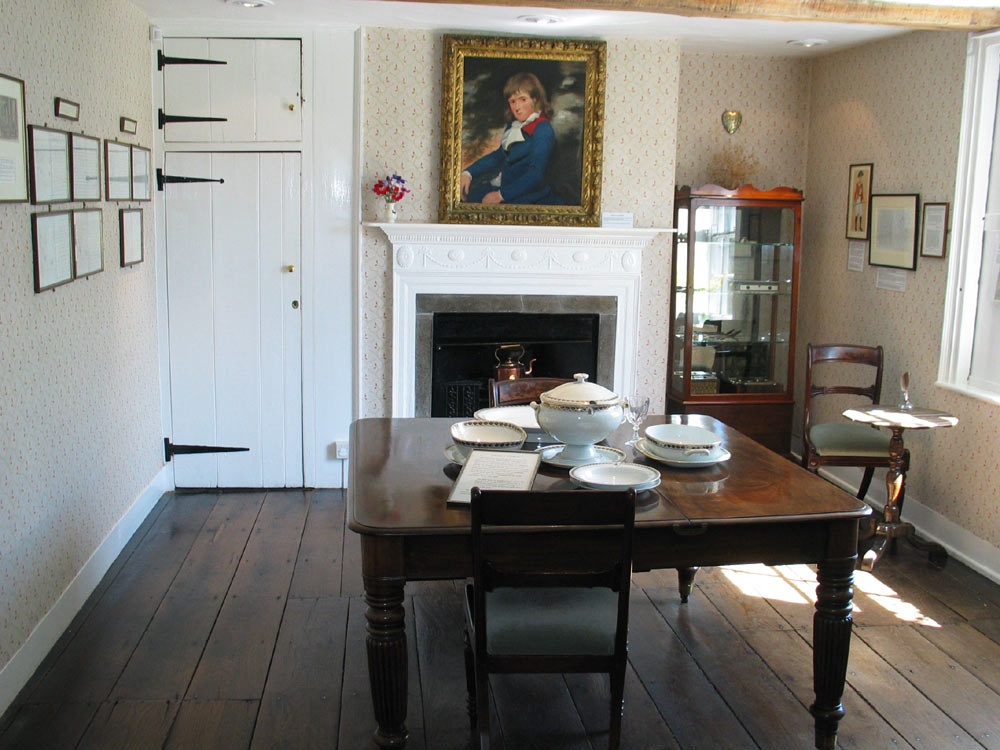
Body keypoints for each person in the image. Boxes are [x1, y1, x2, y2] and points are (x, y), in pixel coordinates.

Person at [461, 72, 563, 205]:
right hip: (503, 187)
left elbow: (536, 175)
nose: (517, 107)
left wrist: (501, 195)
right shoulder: (513, 126)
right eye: (513, 101)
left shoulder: (542, 129)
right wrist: (468, 173)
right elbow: (498, 157)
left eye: (523, 99)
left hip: (527, 195)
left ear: (535, 99)